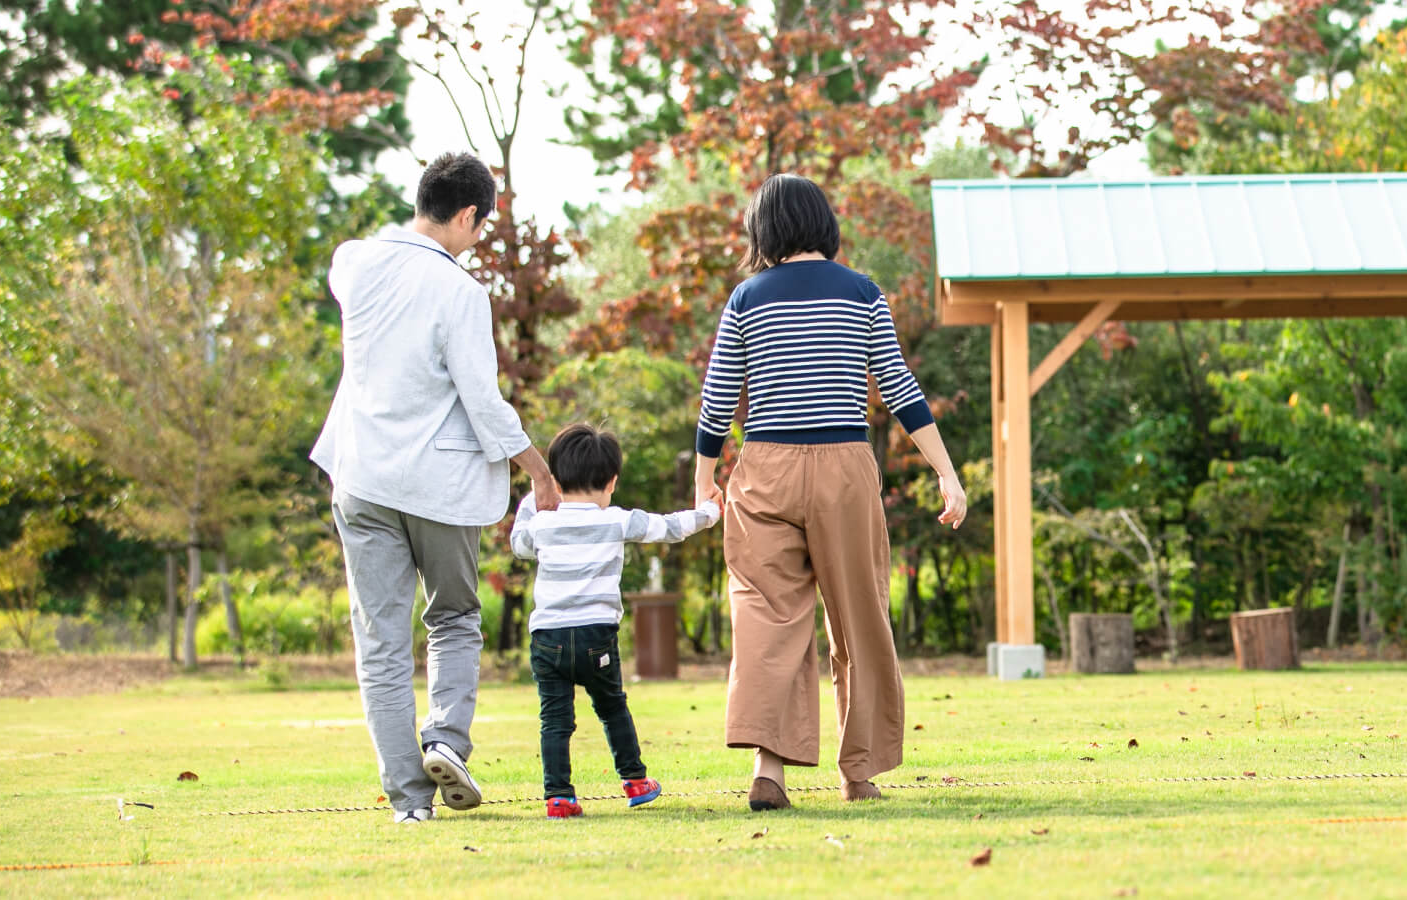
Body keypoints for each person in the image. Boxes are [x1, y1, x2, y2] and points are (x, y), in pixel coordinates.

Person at [693, 173, 968, 811]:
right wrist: (946, 474)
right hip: (844, 464)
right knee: (859, 616)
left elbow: (716, 403)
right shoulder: (862, 292)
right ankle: (859, 772)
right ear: (823, 223)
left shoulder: (746, 298)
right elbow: (900, 390)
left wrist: (705, 480)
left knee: (768, 617)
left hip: (765, 466)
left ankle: (770, 770)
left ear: (765, 229)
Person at [311, 151, 562, 824]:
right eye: (480, 226)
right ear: (469, 216)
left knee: (382, 642)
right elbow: (481, 397)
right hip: (436, 484)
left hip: (361, 477)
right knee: (452, 615)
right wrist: (536, 466)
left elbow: (348, 265)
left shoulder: (354, 262)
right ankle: (445, 738)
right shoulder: (459, 291)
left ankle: (409, 801)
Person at [511, 423, 719, 818]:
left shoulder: (541, 524)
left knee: (554, 719)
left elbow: (518, 545)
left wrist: (530, 501)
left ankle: (559, 796)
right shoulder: (616, 520)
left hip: (548, 639)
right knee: (612, 707)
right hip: (596, 636)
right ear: (611, 481)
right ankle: (636, 780)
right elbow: (670, 527)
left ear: (555, 480)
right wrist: (708, 512)